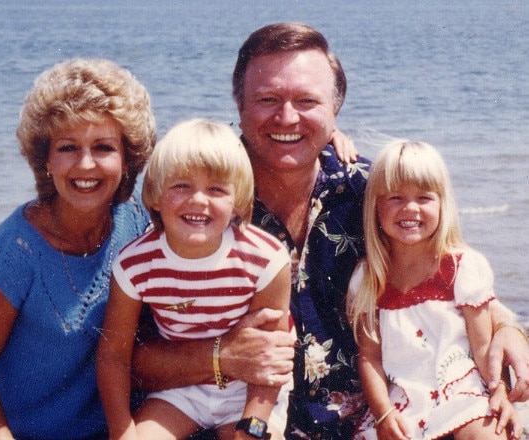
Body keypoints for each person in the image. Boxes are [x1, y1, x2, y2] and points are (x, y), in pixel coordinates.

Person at [130, 22, 529, 440]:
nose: (287, 118)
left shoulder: (374, 193)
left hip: (374, 423)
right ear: (240, 107)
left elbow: (446, 271)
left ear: (335, 111)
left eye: (307, 101)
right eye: (267, 99)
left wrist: (508, 329)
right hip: (235, 423)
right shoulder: (196, 202)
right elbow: (130, 357)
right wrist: (221, 357)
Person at [0, 58, 155, 440]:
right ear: (45, 159)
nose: (85, 165)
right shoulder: (13, 251)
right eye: (68, 147)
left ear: (128, 158)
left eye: (103, 147)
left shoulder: (138, 221)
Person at [97, 118, 292, 440]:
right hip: (179, 390)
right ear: (157, 196)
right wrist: (122, 432)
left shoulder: (266, 258)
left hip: (248, 390)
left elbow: (269, 356)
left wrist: (252, 424)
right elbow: (113, 356)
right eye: (181, 186)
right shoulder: (135, 263)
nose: (198, 200)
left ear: (237, 201)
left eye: (216, 189)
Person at [347, 140, 520, 440]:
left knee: (488, 434)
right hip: (402, 402)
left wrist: (500, 393)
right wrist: (383, 412)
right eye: (396, 197)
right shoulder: (368, 277)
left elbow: (482, 349)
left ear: (443, 203)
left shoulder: (463, 267)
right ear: (375, 205)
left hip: (461, 392)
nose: (410, 208)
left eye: (424, 197)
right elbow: (369, 358)